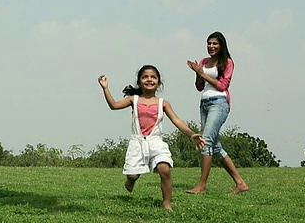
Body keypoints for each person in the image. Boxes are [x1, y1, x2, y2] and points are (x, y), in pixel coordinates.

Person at [98, 65, 204, 210]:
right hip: (137, 143)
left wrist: (192, 134)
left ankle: (167, 204)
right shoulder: (133, 100)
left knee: (165, 169)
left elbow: (177, 120)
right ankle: (130, 181)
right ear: (139, 81)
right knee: (133, 176)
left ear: (159, 82)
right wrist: (105, 88)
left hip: (156, 143)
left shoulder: (163, 103)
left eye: (153, 77)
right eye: (145, 77)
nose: (149, 79)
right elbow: (114, 105)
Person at [186, 31, 249, 194]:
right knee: (215, 146)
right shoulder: (204, 62)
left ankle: (201, 185)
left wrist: (202, 74)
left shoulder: (227, 62)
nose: (211, 46)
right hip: (204, 103)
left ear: (221, 45)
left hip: (219, 103)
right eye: (209, 43)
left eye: (215, 44)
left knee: (205, 141)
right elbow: (199, 87)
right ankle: (240, 183)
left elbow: (222, 85)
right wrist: (197, 73)